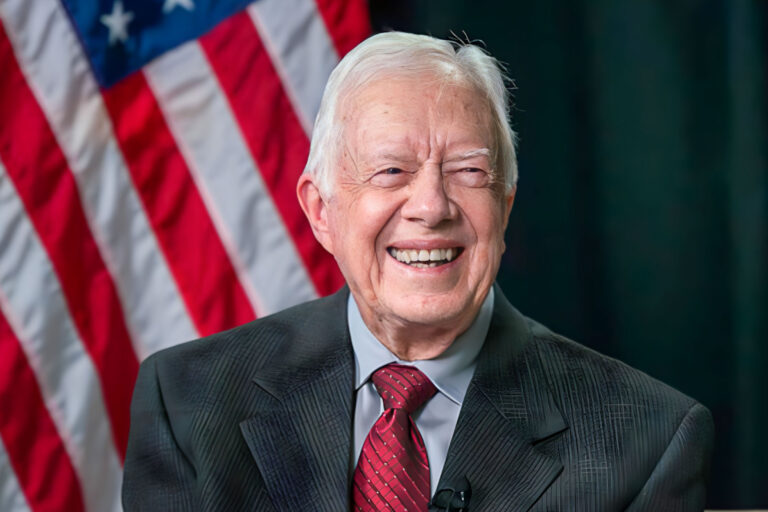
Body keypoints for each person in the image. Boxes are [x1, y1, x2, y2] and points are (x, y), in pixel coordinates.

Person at [122, 32, 713, 511]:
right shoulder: (189, 402)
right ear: (321, 212)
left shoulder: (650, 440)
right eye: (391, 171)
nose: (432, 207)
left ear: (504, 206)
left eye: (468, 172)